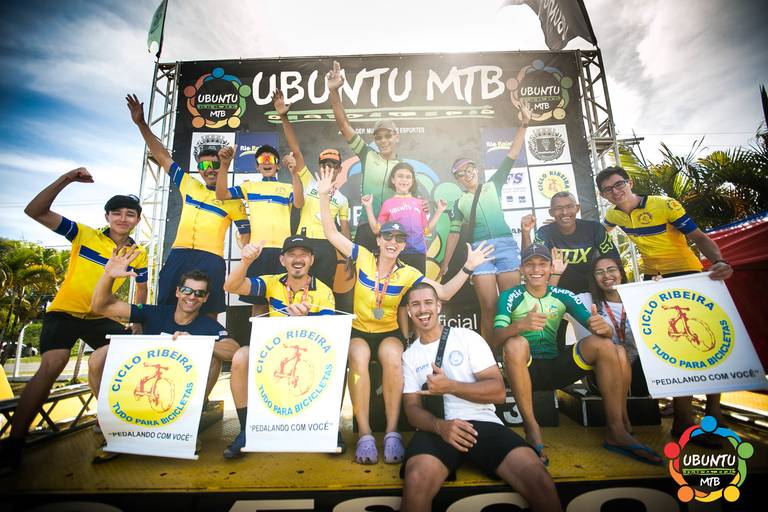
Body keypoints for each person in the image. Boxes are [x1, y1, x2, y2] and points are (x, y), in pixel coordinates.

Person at [317, 168, 494, 465]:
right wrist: (324, 195)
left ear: (403, 245)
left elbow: (445, 293)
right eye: (388, 236)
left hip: (388, 332)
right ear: (379, 239)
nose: (393, 241)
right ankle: (364, 434)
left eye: (399, 239)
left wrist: (468, 267)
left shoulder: (409, 272)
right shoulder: (362, 256)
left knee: (392, 357)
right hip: (359, 331)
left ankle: (391, 432)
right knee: (358, 357)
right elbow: (331, 233)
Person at [0, 170, 148, 474]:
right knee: (52, 365)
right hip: (64, 313)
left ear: (137, 220)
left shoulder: (138, 253)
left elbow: (142, 288)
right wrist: (66, 179)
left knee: (122, 358)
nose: (123, 218)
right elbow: (35, 211)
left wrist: (138, 320)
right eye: (117, 212)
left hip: (100, 317)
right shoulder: (83, 234)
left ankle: (112, 422)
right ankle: (15, 443)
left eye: (130, 214)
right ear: (107, 216)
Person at [493, 244, 662, 466]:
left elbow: (597, 327)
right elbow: (495, 340)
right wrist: (519, 326)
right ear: (521, 269)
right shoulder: (510, 295)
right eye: (530, 264)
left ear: (551, 268)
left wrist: (604, 328)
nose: (536, 269)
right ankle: (532, 429)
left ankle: (616, 431)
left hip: (556, 368)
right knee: (515, 344)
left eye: (542, 264)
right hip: (525, 367)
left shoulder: (563, 295)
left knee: (604, 344)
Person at [596, 166, 732, 439]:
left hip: (688, 273)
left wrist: (718, 261)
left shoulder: (664, 204)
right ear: (603, 195)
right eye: (608, 189)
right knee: (673, 344)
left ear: (629, 182)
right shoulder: (612, 215)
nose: (615, 191)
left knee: (708, 345)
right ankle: (683, 417)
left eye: (619, 184)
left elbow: (698, 237)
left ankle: (713, 412)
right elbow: (595, 239)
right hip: (654, 280)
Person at [401, 282, 561, 512]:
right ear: (409, 311)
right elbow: (412, 409)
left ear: (438, 306)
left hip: (483, 423)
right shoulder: (409, 356)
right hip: (438, 429)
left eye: (428, 302)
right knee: (416, 482)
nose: (423, 309)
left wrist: (452, 386)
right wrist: (439, 426)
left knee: (539, 481)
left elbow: (498, 392)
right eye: (415, 304)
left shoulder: (467, 337)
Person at [126, 94, 250, 318]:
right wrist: (141, 124)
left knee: (209, 311)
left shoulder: (233, 200)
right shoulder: (189, 184)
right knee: (166, 304)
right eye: (204, 165)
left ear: (224, 165)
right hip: (179, 254)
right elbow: (162, 156)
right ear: (199, 169)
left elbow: (246, 235)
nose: (210, 170)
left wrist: (246, 261)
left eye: (215, 164)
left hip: (211, 258)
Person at [221, 235, 336, 458]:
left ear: (311, 260)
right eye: (292, 254)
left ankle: (330, 427)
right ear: (282, 260)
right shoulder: (272, 282)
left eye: (303, 254)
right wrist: (245, 262)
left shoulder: (324, 291)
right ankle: (248, 429)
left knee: (339, 359)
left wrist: (306, 322)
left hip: (309, 356)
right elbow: (230, 286)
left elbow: (329, 337)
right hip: (274, 354)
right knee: (241, 356)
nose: (298, 259)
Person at [88, 247, 239, 404]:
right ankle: (108, 411)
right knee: (99, 355)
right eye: (187, 290)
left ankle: (197, 408)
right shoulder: (153, 313)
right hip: (145, 375)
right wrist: (108, 275)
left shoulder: (208, 325)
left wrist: (197, 343)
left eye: (199, 293)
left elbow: (234, 351)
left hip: (182, 389)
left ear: (205, 298)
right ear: (178, 292)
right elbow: (101, 306)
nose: (192, 296)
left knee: (214, 359)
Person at [440, 105, 530, 340]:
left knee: (512, 307)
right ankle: (491, 357)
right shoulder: (458, 202)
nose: (467, 174)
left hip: (506, 246)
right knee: (488, 308)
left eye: (469, 169)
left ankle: (516, 355)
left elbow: (512, 154)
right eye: (461, 173)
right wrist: (445, 264)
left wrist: (524, 124)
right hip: (480, 252)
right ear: (457, 179)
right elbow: (453, 234)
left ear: (476, 170)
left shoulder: (493, 185)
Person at [272, 89, 351, 287]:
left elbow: (345, 231)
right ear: (319, 166)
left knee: (324, 291)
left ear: (339, 169)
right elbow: (296, 150)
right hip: (303, 243)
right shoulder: (308, 180)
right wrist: (284, 118)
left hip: (327, 246)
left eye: (333, 165)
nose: (328, 168)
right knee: (297, 289)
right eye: (324, 164)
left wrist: (349, 256)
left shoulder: (342, 199)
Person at [215, 143, 304, 318]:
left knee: (285, 301)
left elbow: (299, 203)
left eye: (271, 158)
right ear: (257, 166)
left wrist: (294, 173)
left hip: (283, 252)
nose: (267, 162)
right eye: (262, 159)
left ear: (278, 165)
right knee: (259, 303)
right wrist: (224, 165)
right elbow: (221, 194)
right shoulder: (249, 187)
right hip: (258, 252)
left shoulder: (287, 187)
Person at [326, 60, 402, 252]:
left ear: (397, 137)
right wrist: (334, 92)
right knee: (361, 271)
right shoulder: (367, 154)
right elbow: (344, 125)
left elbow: (410, 200)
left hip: (392, 228)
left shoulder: (404, 168)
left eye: (388, 136)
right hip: (365, 226)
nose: (383, 141)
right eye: (378, 137)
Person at [521, 191, 619, 294]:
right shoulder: (545, 232)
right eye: (558, 208)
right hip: (559, 291)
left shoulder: (594, 228)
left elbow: (614, 260)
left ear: (577, 208)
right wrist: (526, 233)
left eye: (569, 206)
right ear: (551, 212)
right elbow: (532, 258)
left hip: (593, 290)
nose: (564, 212)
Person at [362, 162, 448, 273]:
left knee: (417, 284)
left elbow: (426, 230)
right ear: (393, 179)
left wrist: (439, 210)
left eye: (408, 177)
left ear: (412, 181)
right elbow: (376, 229)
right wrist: (368, 206)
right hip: (396, 253)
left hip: (418, 253)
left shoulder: (419, 203)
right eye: (400, 176)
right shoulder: (388, 203)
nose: (404, 180)